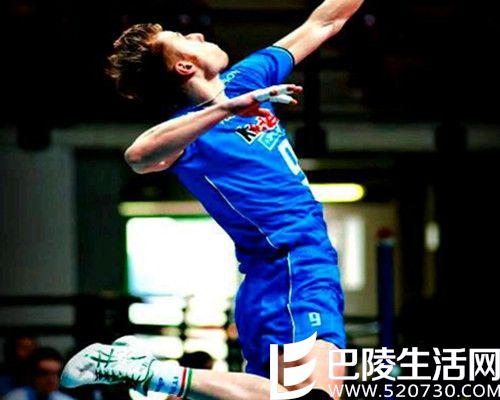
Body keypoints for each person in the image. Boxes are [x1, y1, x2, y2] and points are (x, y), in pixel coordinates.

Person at [62, 0, 364, 398]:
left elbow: (326, 21)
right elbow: (138, 157)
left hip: (294, 270)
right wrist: (225, 109)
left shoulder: (248, 78)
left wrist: (233, 100)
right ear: (184, 67)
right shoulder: (188, 132)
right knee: (309, 396)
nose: (198, 34)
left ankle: (151, 373)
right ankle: (148, 372)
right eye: (184, 38)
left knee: (288, 394)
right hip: (289, 267)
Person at [2, 347, 75, 400]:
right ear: (32, 374)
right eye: (45, 374)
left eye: (57, 374)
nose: (52, 380)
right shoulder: (13, 398)